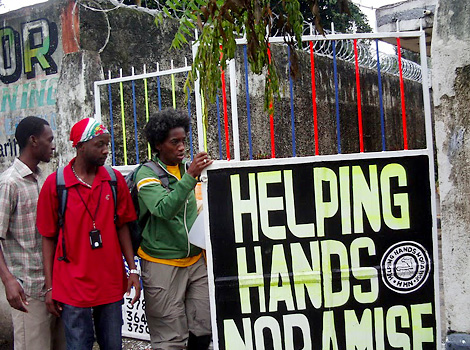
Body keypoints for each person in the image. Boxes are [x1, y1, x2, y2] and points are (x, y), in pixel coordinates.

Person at [36, 118, 140, 350]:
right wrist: (50, 287)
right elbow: (48, 237)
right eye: (100, 144)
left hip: (110, 284)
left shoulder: (114, 181)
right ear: (80, 146)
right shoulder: (56, 185)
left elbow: (123, 226)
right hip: (72, 287)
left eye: (107, 144)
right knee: (78, 346)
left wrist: (132, 269)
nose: (106, 150)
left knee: (113, 345)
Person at [135, 108, 213, 350]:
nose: (182, 147)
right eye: (174, 142)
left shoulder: (188, 170)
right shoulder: (146, 174)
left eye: (183, 141)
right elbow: (163, 209)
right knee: (170, 337)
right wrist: (190, 176)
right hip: (162, 264)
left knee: (204, 325)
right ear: (158, 144)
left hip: (195, 261)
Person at [0, 116, 66, 350]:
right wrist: (8, 280)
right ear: (33, 141)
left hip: (51, 287)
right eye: (49, 140)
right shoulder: (10, 183)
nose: (53, 145)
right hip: (27, 292)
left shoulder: (43, 179)